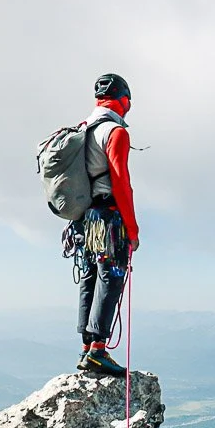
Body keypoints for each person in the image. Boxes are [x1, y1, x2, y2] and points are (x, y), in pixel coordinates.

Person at [67, 73, 140, 377]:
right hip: (108, 217)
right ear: (123, 100)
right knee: (111, 276)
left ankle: (87, 347)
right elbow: (121, 184)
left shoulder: (82, 130)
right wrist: (132, 231)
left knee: (90, 276)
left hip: (83, 220)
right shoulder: (115, 133)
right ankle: (98, 349)